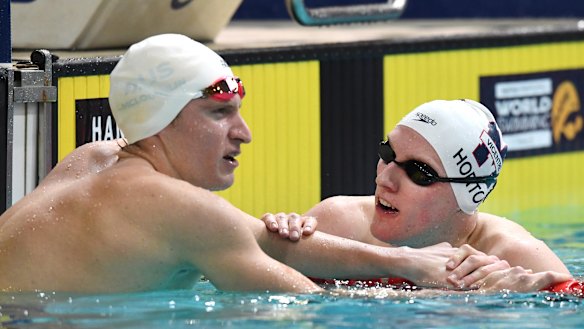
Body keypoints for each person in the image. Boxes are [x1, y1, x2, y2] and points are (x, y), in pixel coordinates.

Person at [0, 35, 508, 294]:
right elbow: (317, 312)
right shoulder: (173, 207)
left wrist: (403, 262)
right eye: (220, 114)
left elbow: (250, 237)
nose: (243, 133)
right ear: (162, 117)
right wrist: (427, 281)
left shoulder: (89, 160)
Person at [264, 99, 574, 292]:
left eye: (418, 172)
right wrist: (271, 237)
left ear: (468, 195)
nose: (384, 178)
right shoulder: (339, 223)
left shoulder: (516, 259)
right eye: (387, 153)